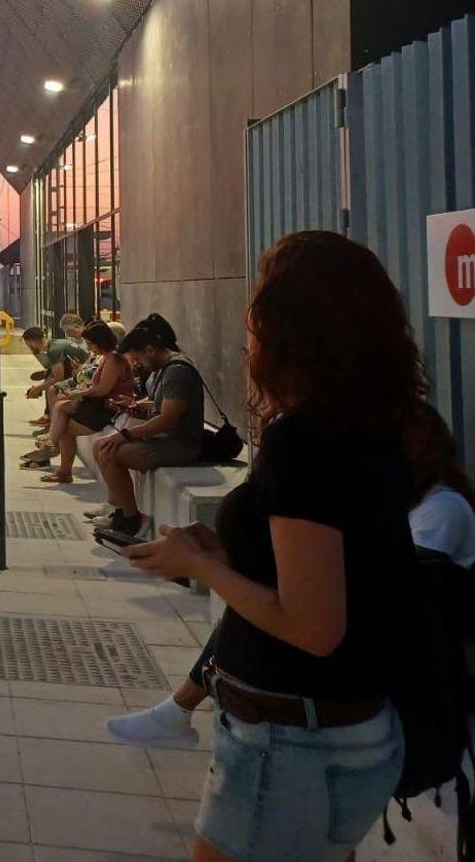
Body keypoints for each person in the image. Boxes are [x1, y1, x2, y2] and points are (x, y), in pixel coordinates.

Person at [116, 231, 423, 862]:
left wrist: (197, 563)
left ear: (286, 328)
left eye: (258, 306)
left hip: (294, 740)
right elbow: (344, 563)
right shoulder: (379, 425)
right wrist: (231, 552)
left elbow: (312, 626)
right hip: (353, 724)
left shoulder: (303, 441)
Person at [107, 401, 475, 753]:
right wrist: (219, 557)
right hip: (342, 666)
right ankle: (177, 711)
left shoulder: (442, 508)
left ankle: (178, 710)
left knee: (260, 608)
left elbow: (389, 587)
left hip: (379, 664)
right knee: (249, 606)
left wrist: (203, 565)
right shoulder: (390, 493)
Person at [92, 313, 202, 536]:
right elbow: (161, 409)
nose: (137, 363)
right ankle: (124, 512)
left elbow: (168, 419)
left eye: (138, 358)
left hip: (181, 444)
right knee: (100, 446)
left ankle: (131, 518)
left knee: (109, 451)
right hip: (167, 438)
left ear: (150, 349)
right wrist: (136, 408)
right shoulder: (164, 370)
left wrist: (125, 434)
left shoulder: (177, 371)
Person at [34, 320, 134, 484]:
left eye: (90, 343)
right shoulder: (105, 357)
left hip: (107, 409)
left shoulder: (114, 360)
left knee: (63, 418)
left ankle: (53, 446)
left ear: (99, 342)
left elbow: (102, 389)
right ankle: (56, 454)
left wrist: (79, 393)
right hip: (99, 404)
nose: (88, 347)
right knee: (61, 408)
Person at [23, 315, 89, 426]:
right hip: (80, 371)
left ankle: (54, 423)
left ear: (32, 342)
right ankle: (49, 417)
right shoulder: (54, 344)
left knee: (51, 388)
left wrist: (38, 388)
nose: (28, 347)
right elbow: (53, 368)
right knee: (49, 376)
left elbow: (59, 377)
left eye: (27, 344)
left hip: (84, 374)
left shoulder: (54, 350)